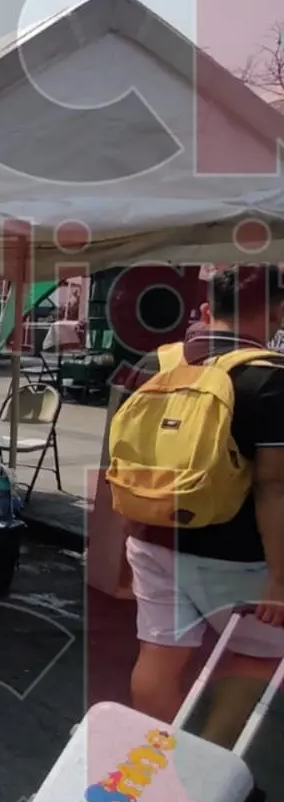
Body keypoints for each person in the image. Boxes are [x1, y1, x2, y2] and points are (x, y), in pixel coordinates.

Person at [114, 265, 284, 746]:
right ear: (275, 311)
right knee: (257, 654)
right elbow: (275, 485)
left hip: (152, 534)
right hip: (237, 553)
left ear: (211, 308)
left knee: (160, 655)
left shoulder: (157, 363)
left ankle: (160, 760)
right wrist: (280, 576)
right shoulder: (269, 379)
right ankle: (204, 766)